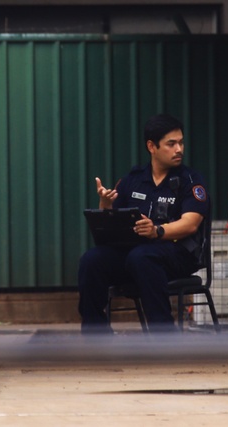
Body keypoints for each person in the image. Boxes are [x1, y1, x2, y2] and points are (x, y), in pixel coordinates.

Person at [78, 113, 210, 333]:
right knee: (92, 260)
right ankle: (95, 336)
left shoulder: (190, 180)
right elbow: (112, 222)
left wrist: (157, 231)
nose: (179, 149)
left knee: (143, 257)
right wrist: (105, 204)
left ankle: (163, 336)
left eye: (181, 142)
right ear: (152, 146)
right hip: (135, 255)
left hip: (177, 254)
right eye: (171, 144)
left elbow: (190, 224)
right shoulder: (133, 179)